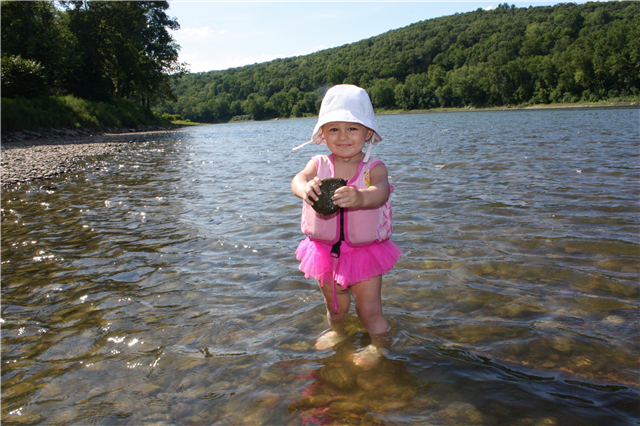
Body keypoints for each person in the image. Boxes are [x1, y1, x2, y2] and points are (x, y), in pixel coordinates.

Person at [291, 84, 402, 365]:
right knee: (334, 306)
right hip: (324, 253)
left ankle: (380, 345)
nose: (342, 137)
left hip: (364, 255)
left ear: (368, 133)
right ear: (323, 134)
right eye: (333, 129)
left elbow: (381, 191)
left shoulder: (373, 167)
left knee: (370, 312)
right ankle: (336, 329)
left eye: (352, 129)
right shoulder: (318, 164)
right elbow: (297, 179)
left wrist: (360, 196)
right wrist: (304, 189)